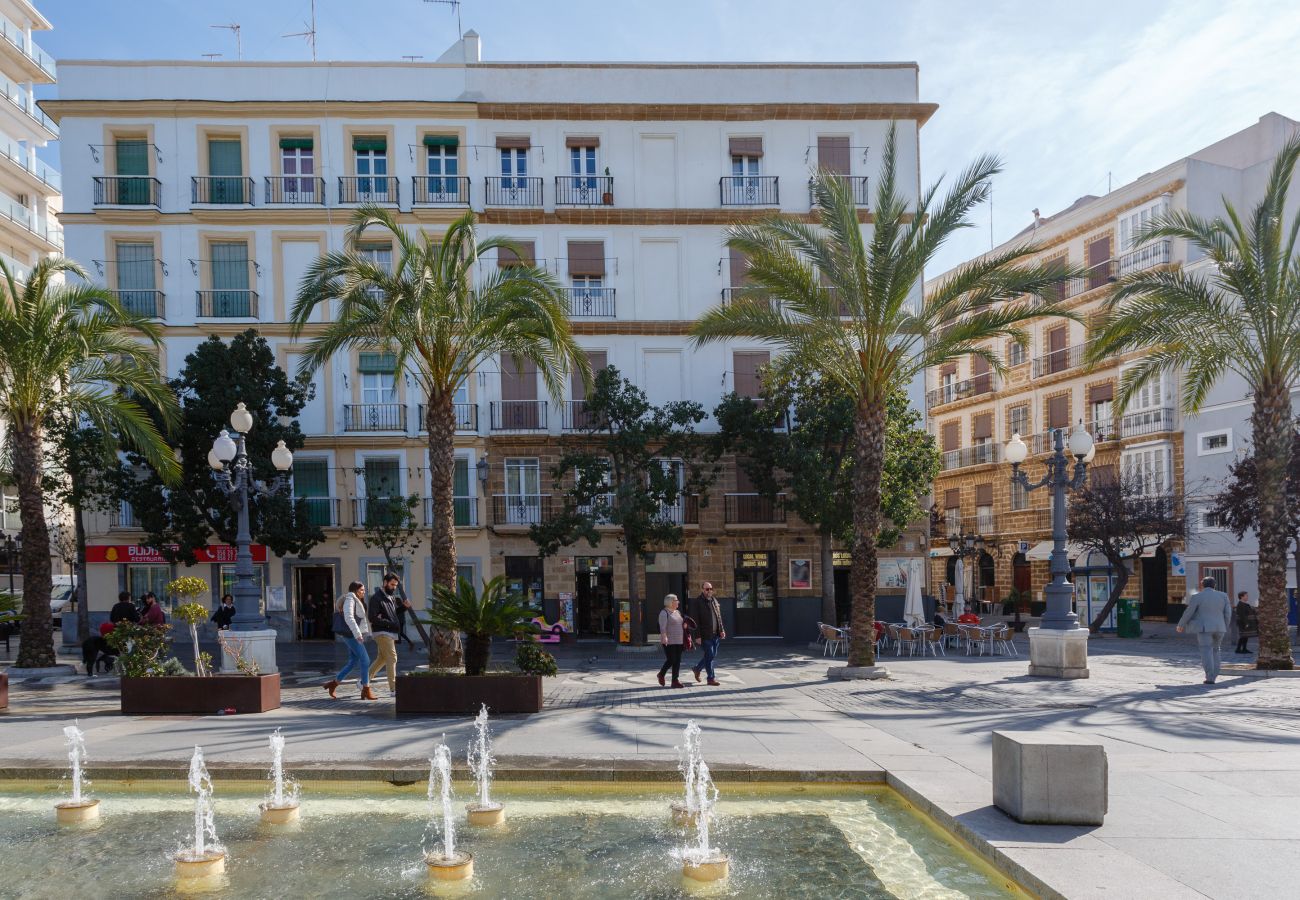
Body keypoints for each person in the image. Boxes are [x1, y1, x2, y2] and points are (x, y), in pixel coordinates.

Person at [1177, 576, 1235, 684]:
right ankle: (1215, 674)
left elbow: (1189, 612)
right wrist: (1224, 625)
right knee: (1216, 650)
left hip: (1205, 628)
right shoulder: (1223, 596)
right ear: (1215, 585)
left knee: (1206, 651)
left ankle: (1210, 677)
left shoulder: (1197, 596)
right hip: (1220, 627)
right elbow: (1228, 613)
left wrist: (1181, 624)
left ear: (1202, 585)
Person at [325, 581, 376, 700]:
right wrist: (358, 634)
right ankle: (366, 689)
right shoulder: (350, 599)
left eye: (364, 590)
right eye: (362, 590)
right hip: (352, 635)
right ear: (355, 590)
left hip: (351, 634)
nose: (364, 592)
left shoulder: (355, 599)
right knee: (366, 660)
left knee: (353, 661)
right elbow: (349, 617)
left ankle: (333, 684)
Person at [367, 573, 404, 693]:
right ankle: (393, 689)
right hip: (382, 632)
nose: (394, 587)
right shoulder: (376, 598)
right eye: (392, 584)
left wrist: (404, 608)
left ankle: (364, 680)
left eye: (396, 585)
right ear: (385, 583)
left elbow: (392, 614)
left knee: (382, 658)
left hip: (389, 631)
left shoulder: (391, 597)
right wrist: (389, 623)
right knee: (392, 658)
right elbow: (372, 617)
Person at [688, 582, 725, 686]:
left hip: (715, 634)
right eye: (707, 589)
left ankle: (697, 668)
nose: (709, 591)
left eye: (710, 589)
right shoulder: (698, 602)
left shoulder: (714, 600)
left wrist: (722, 630)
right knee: (710, 655)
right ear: (702, 590)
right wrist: (697, 636)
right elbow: (695, 621)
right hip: (705, 635)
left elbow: (719, 618)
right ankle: (711, 678)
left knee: (711, 655)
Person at [657, 593, 686, 688]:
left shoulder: (677, 612)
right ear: (671, 602)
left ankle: (675, 681)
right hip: (669, 640)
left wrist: (684, 626)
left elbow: (680, 623)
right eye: (676, 600)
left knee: (677, 660)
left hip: (679, 640)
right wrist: (664, 637)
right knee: (671, 659)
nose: (678, 602)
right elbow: (662, 627)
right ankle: (661, 674)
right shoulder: (664, 613)